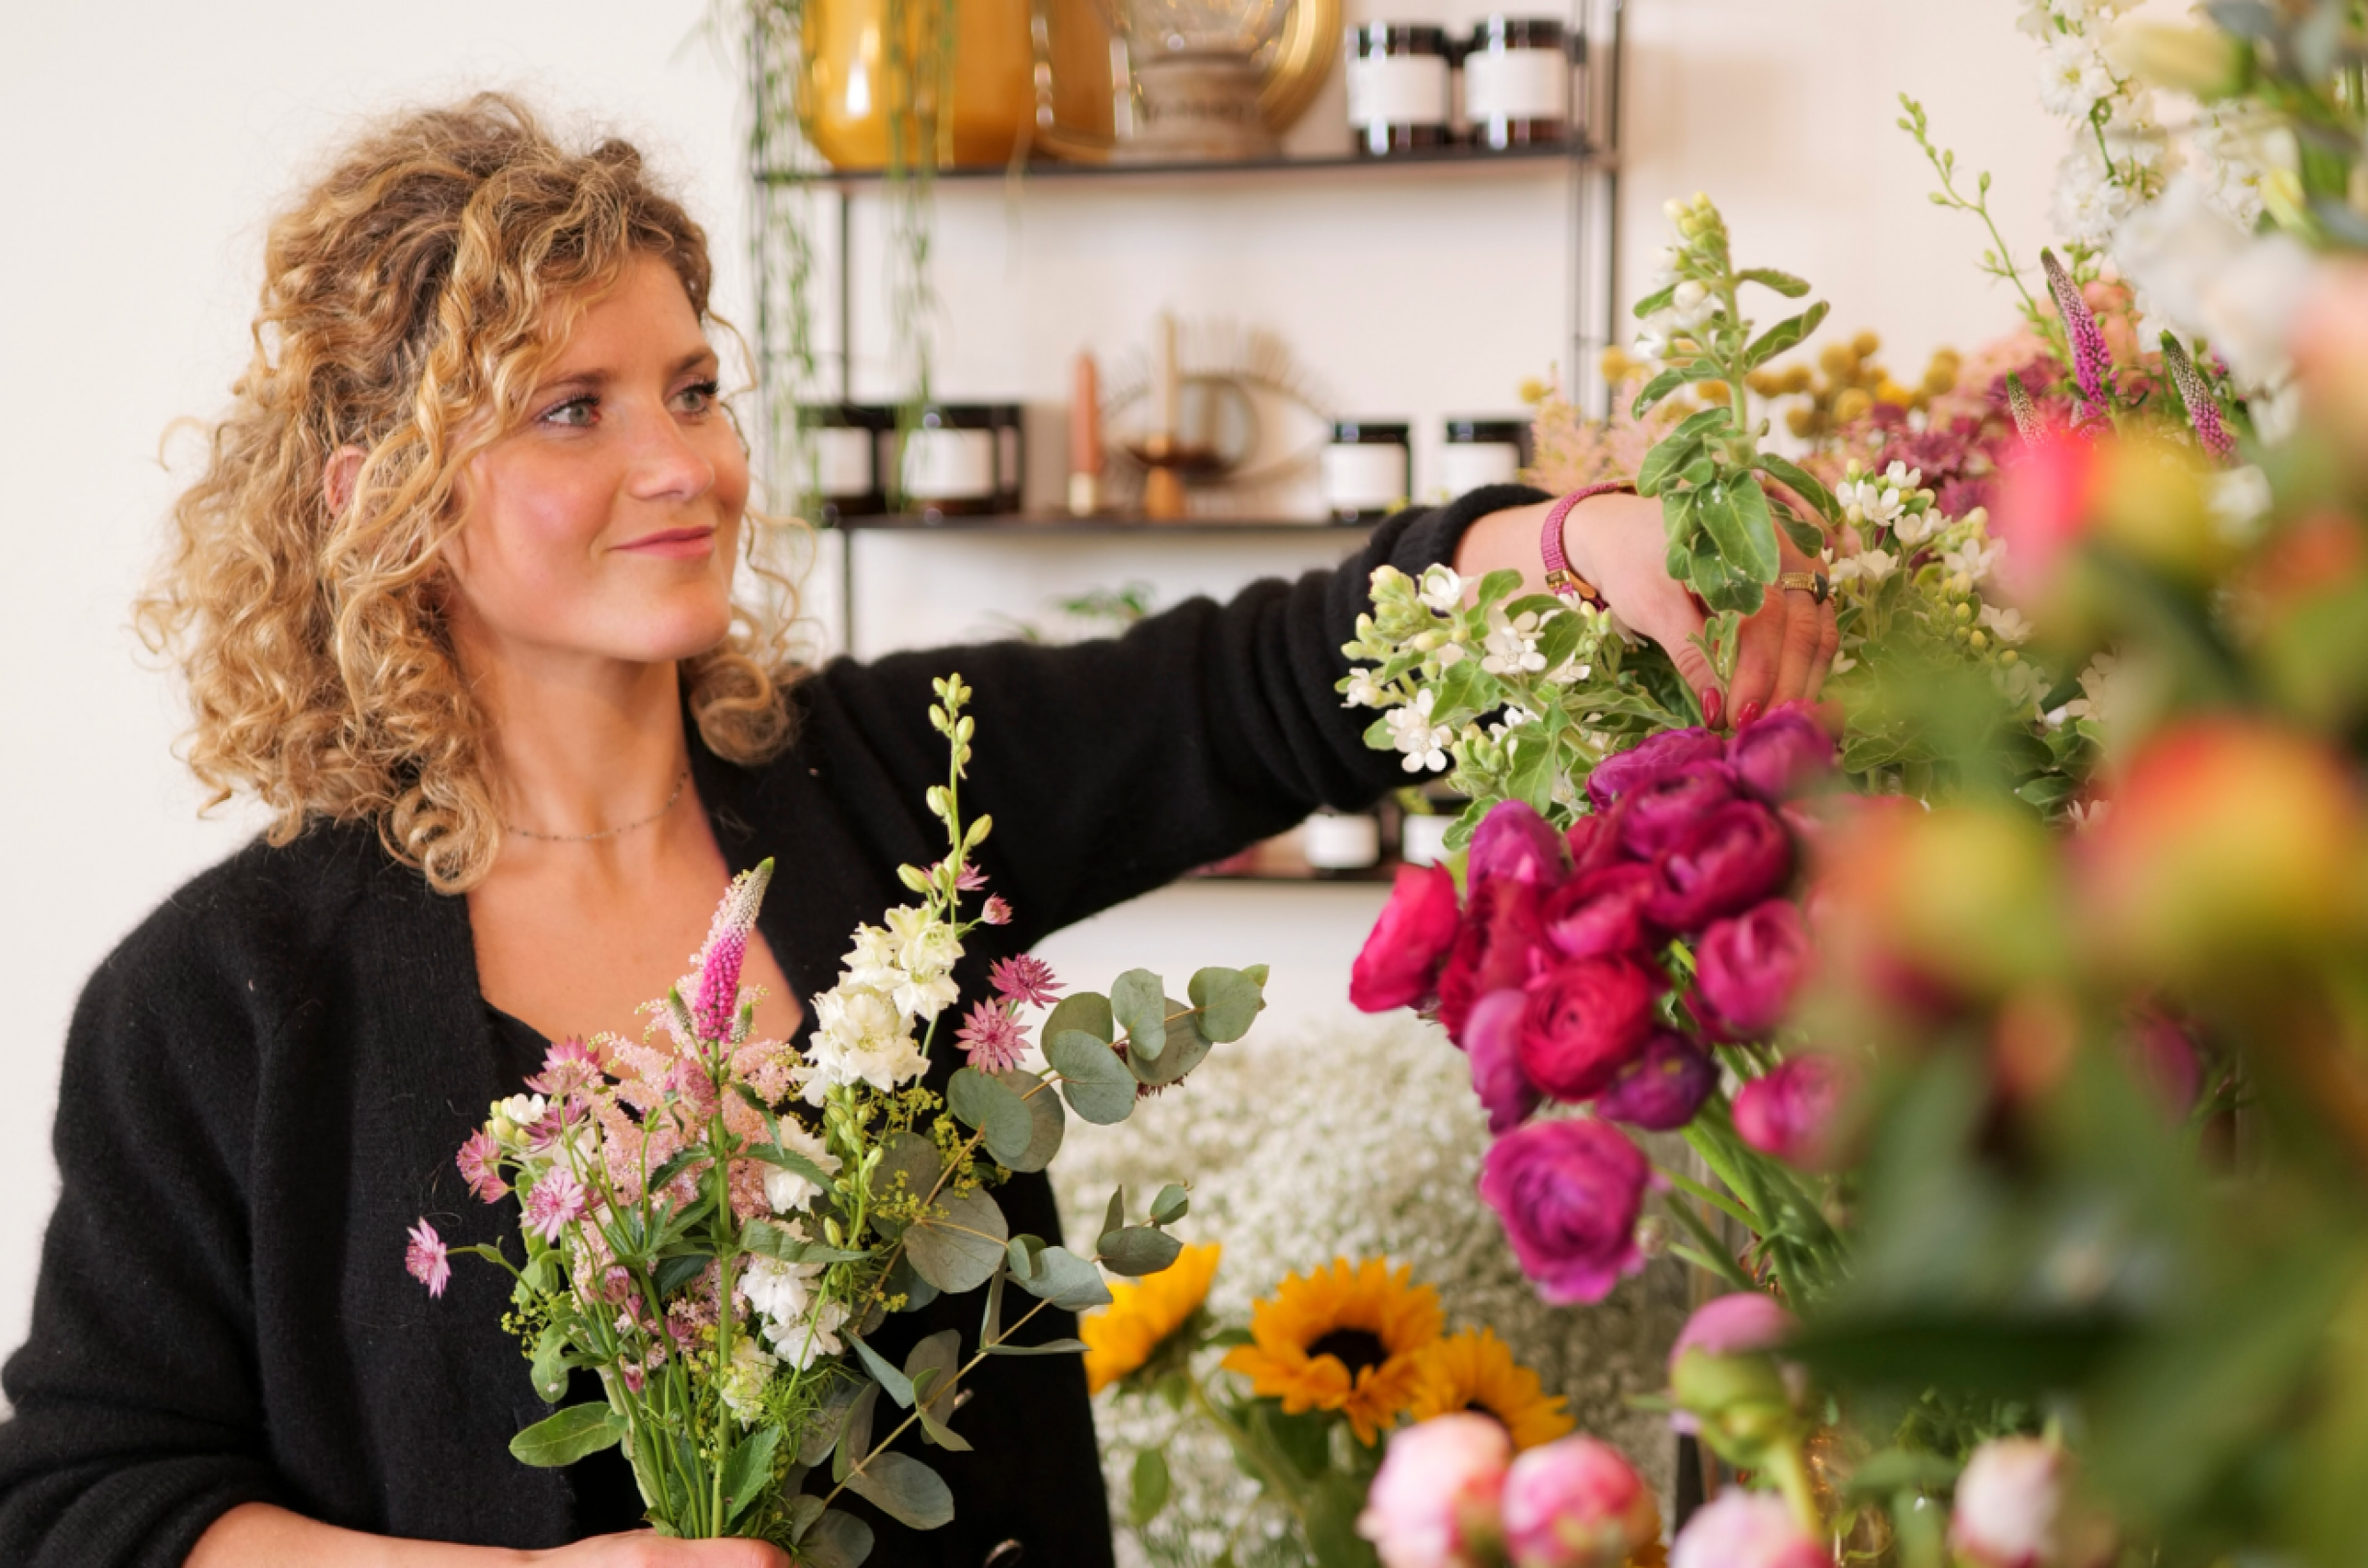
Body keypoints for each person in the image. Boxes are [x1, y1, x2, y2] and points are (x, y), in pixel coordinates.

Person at [0, 94, 1835, 1568]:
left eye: (693, 388)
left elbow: (1263, 682)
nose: (686, 464)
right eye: (574, 409)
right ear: (380, 502)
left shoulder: (898, 786)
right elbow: (93, 1503)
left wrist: (1565, 545)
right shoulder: (217, 1005)